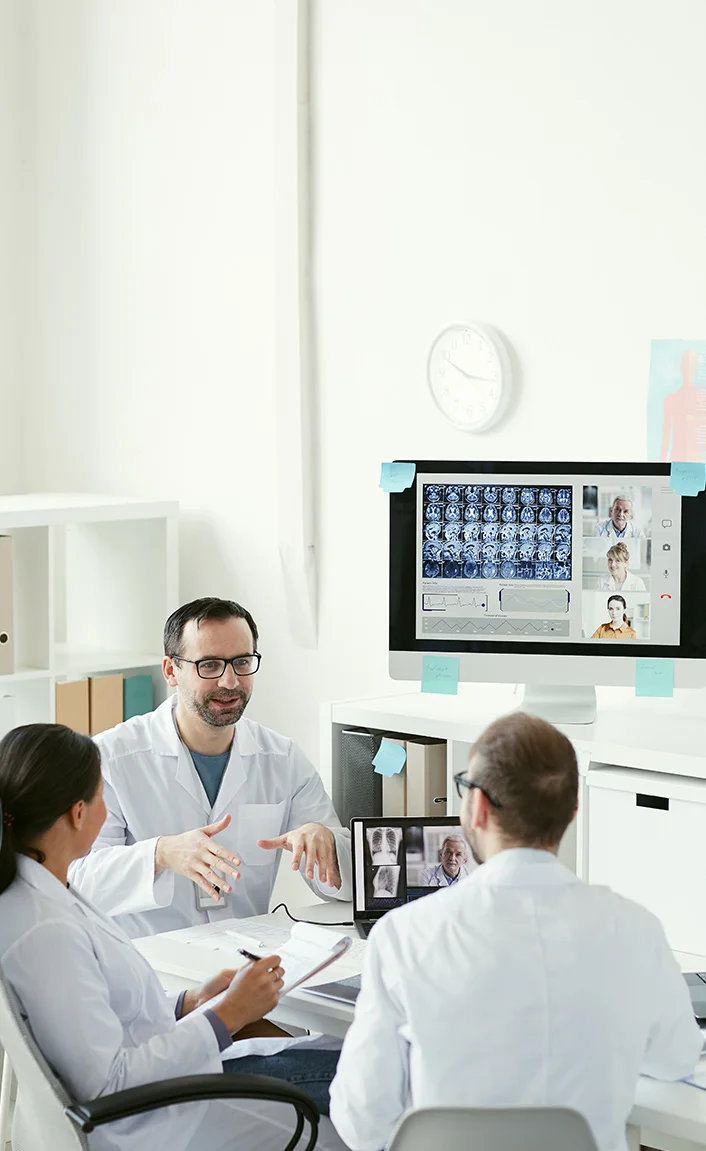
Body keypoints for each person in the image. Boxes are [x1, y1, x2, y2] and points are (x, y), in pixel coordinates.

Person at [329, 713, 701, 1151]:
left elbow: (363, 1119)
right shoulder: (635, 929)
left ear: (479, 807)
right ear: (573, 812)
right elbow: (675, 1057)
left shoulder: (404, 935)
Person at [0, 725, 346, 1151]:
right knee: (363, 1088)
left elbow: (108, 1020)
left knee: (349, 1061)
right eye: (101, 797)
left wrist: (192, 1001)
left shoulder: (38, 896)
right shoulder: (46, 931)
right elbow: (110, 1084)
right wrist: (229, 1016)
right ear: (77, 813)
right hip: (151, 1120)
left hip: (162, 1085)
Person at [69, 598, 351, 940]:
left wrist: (326, 844)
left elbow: (343, 888)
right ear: (171, 671)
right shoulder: (110, 759)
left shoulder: (284, 760)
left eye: (242, 662)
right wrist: (161, 854)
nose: (230, 682)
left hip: (246, 958)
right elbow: (77, 882)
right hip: (150, 966)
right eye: (210, 665)